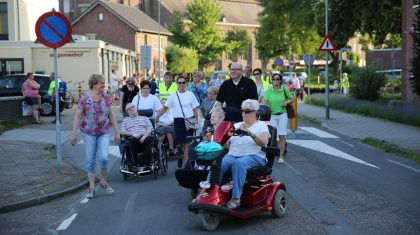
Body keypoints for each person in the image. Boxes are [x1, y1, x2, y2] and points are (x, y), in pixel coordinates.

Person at [70, 74, 120, 199]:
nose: (103, 85)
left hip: (104, 132)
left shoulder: (106, 97)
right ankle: (91, 187)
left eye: (104, 83)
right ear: (94, 84)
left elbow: (112, 115)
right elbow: (77, 116)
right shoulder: (84, 98)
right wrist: (74, 133)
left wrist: (117, 132)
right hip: (89, 133)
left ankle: (103, 181)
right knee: (90, 161)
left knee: (104, 158)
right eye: (101, 83)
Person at [218, 99, 270, 209]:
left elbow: (264, 142)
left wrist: (251, 134)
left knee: (239, 163)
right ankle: (210, 192)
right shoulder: (235, 126)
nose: (243, 113)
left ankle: (236, 199)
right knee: (219, 162)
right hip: (233, 154)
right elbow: (226, 145)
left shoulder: (261, 126)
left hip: (254, 156)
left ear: (255, 112)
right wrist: (221, 139)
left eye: (247, 111)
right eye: (242, 111)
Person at [155, 75, 199, 168]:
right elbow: (165, 107)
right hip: (178, 120)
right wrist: (157, 117)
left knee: (187, 143)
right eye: (180, 83)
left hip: (190, 119)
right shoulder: (173, 95)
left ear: (186, 83)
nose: (182, 84)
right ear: (177, 84)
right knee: (179, 144)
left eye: (183, 82)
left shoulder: (190, 94)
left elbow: (195, 109)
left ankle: (187, 164)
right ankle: (180, 155)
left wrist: (196, 122)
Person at [262, 73, 294, 163]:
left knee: (281, 136)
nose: (275, 80)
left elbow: (292, 98)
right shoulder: (268, 90)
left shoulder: (284, 89)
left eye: (277, 79)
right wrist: (268, 107)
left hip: (282, 115)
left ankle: (280, 157)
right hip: (272, 116)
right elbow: (265, 102)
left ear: (280, 81)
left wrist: (286, 102)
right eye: (273, 79)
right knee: (271, 136)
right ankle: (268, 156)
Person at [120, 103, 154, 172]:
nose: (131, 109)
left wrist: (144, 137)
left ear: (136, 108)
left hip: (145, 137)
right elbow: (123, 131)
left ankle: (147, 165)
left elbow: (150, 128)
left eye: (132, 107)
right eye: (129, 109)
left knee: (148, 139)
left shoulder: (145, 118)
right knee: (132, 140)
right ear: (127, 112)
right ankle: (134, 164)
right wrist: (133, 134)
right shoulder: (126, 120)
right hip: (133, 138)